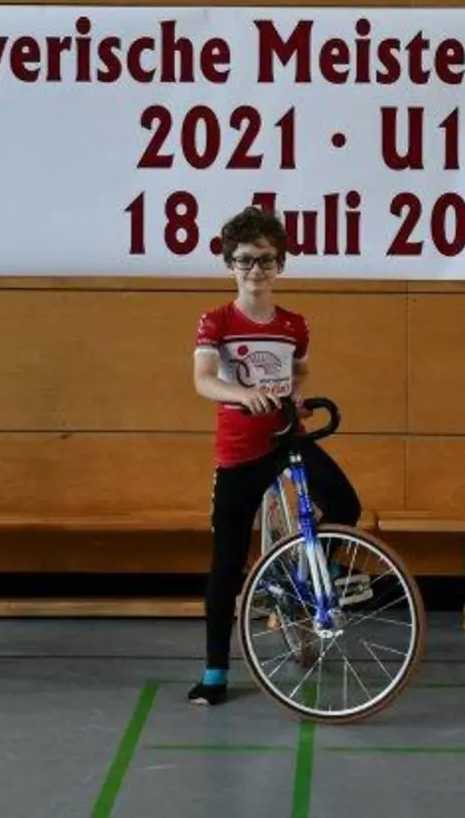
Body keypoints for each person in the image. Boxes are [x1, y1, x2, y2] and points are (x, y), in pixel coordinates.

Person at [186, 205, 368, 706]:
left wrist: (291, 394)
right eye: (244, 261)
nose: (255, 271)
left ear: (280, 264)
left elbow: (300, 371)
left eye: (265, 261)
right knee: (226, 562)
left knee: (346, 504)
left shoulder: (293, 324)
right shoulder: (217, 320)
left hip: (288, 438)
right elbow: (203, 379)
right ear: (230, 265)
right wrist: (242, 395)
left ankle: (311, 580)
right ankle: (215, 673)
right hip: (241, 450)